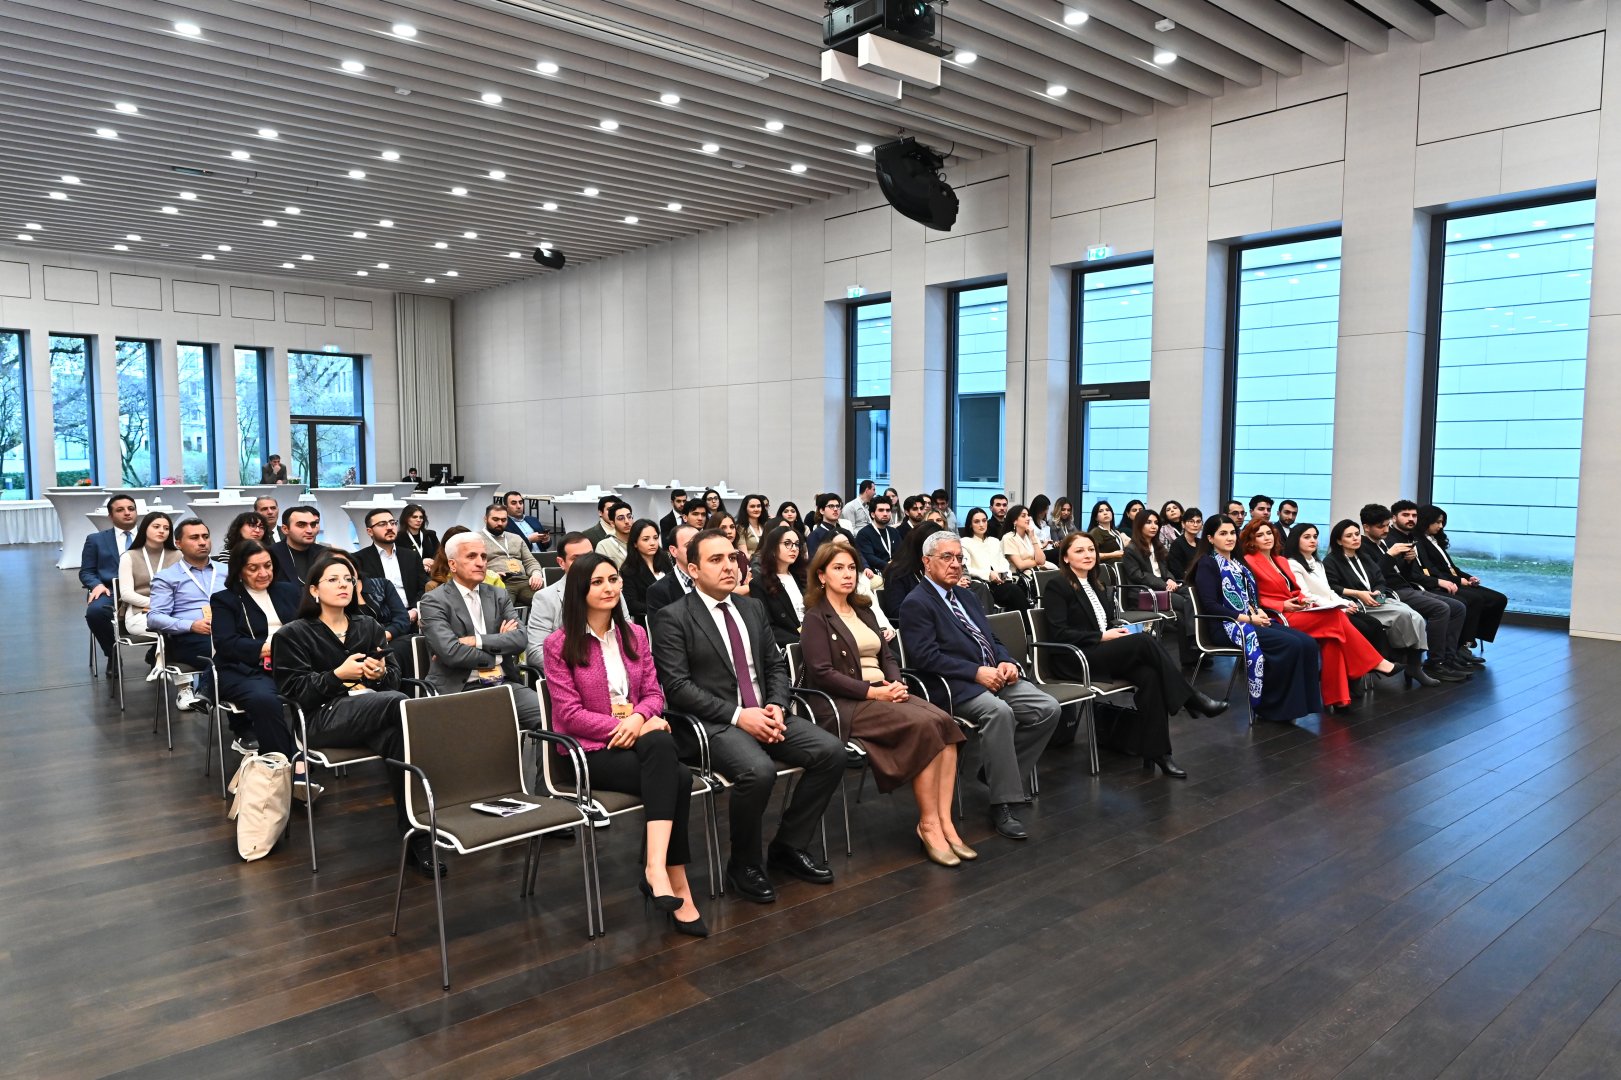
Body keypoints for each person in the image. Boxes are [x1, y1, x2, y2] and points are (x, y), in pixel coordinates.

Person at [649, 529, 844, 903]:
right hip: (714, 723)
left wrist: (776, 704)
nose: (729, 566)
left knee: (831, 752)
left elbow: (775, 666)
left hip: (766, 711)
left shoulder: (751, 607)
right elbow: (678, 688)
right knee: (758, 772)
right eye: (716, 560)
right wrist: (741, 716)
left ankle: (788, 846)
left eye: (733, 558)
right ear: (692, 570)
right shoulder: (673, 617)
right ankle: (744, 864)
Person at [544, 553, 707, 936]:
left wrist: (636, 720)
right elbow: (568, 714)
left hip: (636, 741)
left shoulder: (635, 634)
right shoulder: (560, 644)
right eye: (597, 582)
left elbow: (654, 694)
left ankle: (657, 869)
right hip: (588, 753)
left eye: (613, 579)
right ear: (580, 590)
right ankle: (673, 879)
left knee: (665, 755)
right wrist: (633, 728)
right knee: (678, 776)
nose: (609, 588)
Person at [799, 540, 971, 866]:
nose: (847, 575)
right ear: (821, 575)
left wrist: (894, 682)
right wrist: (872, 691)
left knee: (945, 725)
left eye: (851, 567)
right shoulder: (815, 617)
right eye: (838, 568)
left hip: (883, 691)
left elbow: (886, 654)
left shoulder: (863, 608)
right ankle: (929, 825)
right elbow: (822, 674)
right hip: (843, 702)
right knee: (924, 726)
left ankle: (945, 822)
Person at [272, 553, 443, 877]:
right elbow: (294, 694)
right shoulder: (292, 634)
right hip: (321, 719)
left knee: (399, 738)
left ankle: (417, 835)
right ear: (313, 590)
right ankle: (449, 773)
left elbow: (393, 678)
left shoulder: (368, 625)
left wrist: (378, 675)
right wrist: (337, 675)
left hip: (374, 711)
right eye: (333, 579)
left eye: (348, 579)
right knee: (400, 705)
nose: (343, 585)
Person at [899, 530, 1060, 841]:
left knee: (1047, 708)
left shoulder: (967, 596)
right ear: (926, 562)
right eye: (947, 557)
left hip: (992, 675)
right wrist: (976, 672)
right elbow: (924, 657)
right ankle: (1003, 803)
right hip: (953, 685)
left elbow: (993, 640)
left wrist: (1005, 662)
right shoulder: (916, 602)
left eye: (960, 558)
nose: (956, 564)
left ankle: (997, 773)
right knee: (999, 713)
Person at [1042, 533, 1227, 776]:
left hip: (1102, 652)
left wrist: (1113, 630)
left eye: (1091, 550)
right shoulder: (1057, 585)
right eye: (1079, 551)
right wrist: (1102, 636)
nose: (1088, 555)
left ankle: (1159, 753)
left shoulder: (1098, 583)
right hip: (1077, 658)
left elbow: (1105, 621)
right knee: (1143, 641)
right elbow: (1058, 633)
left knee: (1150, 676)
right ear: (1065, 557)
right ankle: (1191, 698)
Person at [1241, 520, 1394, 709]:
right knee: (1336, 616)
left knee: (1333, 638)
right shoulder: (1249, 561)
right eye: (1260, 535)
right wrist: (1282, 604)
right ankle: (1375, 662)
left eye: (1269, 533)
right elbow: (1252, 597)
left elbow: (1296, 590)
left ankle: (1338, 698)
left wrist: (1304, 600)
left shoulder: (1280, 560)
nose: (1267, 538)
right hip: (1277, 615)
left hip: (1298, 608)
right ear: (1251, 540)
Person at [1187, 517, 1322, 723]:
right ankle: (1272, 707)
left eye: (1232, 533)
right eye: (1223, 534)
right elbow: (1211, 605)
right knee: (1290, 644)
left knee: (1307, 642)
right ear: (1210, 538)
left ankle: (1298, 705)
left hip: (1248, 620)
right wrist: (1249, 618)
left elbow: (1250, 598)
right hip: (1226, 626)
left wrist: (1257, 612)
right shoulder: (1208, 563)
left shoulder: (1238, 563)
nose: (1230, 538)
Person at [418, 532, 542, 729]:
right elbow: (451, 653)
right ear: (452, 564)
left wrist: (477, 641)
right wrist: (499, 652)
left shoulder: (498, 595)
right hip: (460, 688)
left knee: (551, 718)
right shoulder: (434, 601)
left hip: (503, 683)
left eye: (483, 557)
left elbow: (520, 639)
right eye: (471, 556)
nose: (480, 563)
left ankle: (540, 761)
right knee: (488, 730)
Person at [210, 540, 308, 782]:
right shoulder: (225, 600)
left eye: (267, 566)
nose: (263, 573)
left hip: (288, 664)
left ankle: (304, 757)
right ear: (239, 570)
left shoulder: (288, 591)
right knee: (265, 699)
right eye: (253, 568)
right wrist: (268, 649)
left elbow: (307, 627)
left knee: (320, 687)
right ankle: (288, 768)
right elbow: (226, 644)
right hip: (241, 669)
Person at [1323, 519, 1442, 686]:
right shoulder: (1331, 561)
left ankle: (1414, 666)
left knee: (1417, 617)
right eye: (1349, 536)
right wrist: (1360, 594)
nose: (1356, 538)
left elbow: (1380, 579)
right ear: (1338, 540)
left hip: (1377, 599)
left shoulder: (1363, 557)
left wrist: (1378, 590)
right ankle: (1402, 660)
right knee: (1405, 614)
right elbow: (1332, 587)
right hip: (1355, 603)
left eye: (1357, 534)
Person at [1362, 503, 1474, 678]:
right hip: (1392, 592)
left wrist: (1407, 561)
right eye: (1380, 526)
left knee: (1458, 606)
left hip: (1406, 587)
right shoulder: (1366, 547)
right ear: (1366, 528)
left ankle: (1448, 657)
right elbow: (1374, 577)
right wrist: (1391, 556)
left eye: (1386, 525)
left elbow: (1403, 574)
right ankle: (1435, 662)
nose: (1385, 530)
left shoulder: (1383, 543)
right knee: (1441, 608)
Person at [1282, 520, 1388, 661]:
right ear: (1296, 540)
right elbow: (1307, 596)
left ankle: (1380, 663)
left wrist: (1345, 603)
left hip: (1333, 606)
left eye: (1315, 536)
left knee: (1374, 623)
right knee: (1363, 627)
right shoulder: (1292, 564)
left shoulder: (1317, 562)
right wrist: (1342, 608)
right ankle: (1368, 665)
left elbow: (1329, 591)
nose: (1313, 540)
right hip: (1318, 610)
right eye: (1307, 537)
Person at [147, 518, 219, 713]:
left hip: (227, 631)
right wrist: (190, 625)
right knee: (232, 652)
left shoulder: (226, 571)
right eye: (194, 538)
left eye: (205, 537)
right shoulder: (167, 577)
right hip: (191, 638)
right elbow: (154, 617)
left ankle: (206, 691)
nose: (202, 542)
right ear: (178, 543)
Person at [1414, 504, 1507, 649]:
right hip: (1441, 582)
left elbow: (1451, 567)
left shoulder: (1435, 539)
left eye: (1442, 522)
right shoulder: (1419, 541)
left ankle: (1474, 634)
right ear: (1426, 521)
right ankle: (1465, 641)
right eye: (1437, 522)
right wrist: (1458, 580)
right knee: (1474, 599)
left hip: (1453, 579)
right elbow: (1432, 570)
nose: (1441, 526)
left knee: (1499, 599)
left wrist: (1468, 577)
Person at [1121, 509, 1194, 663]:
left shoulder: (1157, 546)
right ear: (1139, 525)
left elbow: (1165, 570)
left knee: (1192, 594)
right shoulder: (1130, 550)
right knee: (1184, 603)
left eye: (1156, 523)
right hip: (1144, 595)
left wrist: (1170, 579)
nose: (1154, 526)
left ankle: (1190, 653)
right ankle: (1194, 639)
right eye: (1148, 522)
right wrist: (1163, 584)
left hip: (1161, 589)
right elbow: (1137, 575)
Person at [82, 492, 140, 674]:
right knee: (95, 612)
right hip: (111, 591)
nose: (127, 513)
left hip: (145, 590)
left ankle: (158, 653)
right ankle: (112, 653)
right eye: (120, 510)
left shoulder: (149, 537)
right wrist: (96, 584)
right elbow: (86, 571)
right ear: (110, 516)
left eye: (131, 509)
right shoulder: (96, 540)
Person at [526, 532, 597, 667]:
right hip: (572, 672)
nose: (586, 563)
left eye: (589, 556)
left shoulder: (611, 591)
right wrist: (586, 667)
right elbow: (536, 653)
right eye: (576, 558)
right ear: (561, 562)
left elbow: (628, 637)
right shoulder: (545, 598)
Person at [117, 511, 180, 639]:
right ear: (145, 529)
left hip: (175, 611)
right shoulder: (129, 557)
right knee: (170, 628)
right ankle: (161, 657)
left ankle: (158, 657)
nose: (162, 531)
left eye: (166, 528)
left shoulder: (178, 555)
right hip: (140, 613)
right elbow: (126, 594)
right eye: (156, 527)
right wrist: (159, 604)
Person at [352, 507, 427, 615]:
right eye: (382, 524)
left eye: (392, 523)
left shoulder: (411, 556)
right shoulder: (359, 559)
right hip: (380, 618)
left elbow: (423, 587)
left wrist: (415, 610)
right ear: (370, 531)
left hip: (412, 613)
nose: (390, 527)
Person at [960, 507, 1028, 612]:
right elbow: (967, 568)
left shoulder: (994, 541)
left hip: (1002, 581)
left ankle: (1024, 623)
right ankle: (1029, 623)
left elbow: (1004, 562)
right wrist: (989, 574)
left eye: (984, 520)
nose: (981, 524)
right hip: (984, 584)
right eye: (977, 522)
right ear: (970, 524)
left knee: (1018, 590)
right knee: (1014, 591)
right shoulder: (965, 542)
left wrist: (1004, 574)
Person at [750, 525, 806, 646]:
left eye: (797, 544)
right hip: (789, 646)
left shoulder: (803, 578)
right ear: (773, 548)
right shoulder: (759, 584)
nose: (794, 548)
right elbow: (767, 627)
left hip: (814, 637)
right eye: (787, 543)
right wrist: (802, 641)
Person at [877, 520, 942, 624]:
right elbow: (897, 612)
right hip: (918, 626)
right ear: (922, 547)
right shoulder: (897, 572)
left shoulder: (939, 569)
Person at [480, 503, 545, 605]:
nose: (500, 523)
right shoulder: (476, 539)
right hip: (499, 582)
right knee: (503, 610)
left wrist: (536, 574)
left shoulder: (516, 538)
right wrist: (491, 575)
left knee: (550, 601)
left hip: (524, 581)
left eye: (503, 520)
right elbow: (473, 565)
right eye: (495, 519)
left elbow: (530, 561)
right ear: (485, 519)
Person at [619, 519, 673, 620]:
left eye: (655, 538)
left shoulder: (665, 558)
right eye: (646, 539)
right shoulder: (628, 569)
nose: (652, 543)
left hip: (675, 614)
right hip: (650, 620)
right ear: (635, 543)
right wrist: (661, 608)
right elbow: (631, 604)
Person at [644, 524, 699, 619]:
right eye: (689, 545)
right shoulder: (658, 591)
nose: (697, 550)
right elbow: (663, 630)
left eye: (700, 544)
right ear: (673, 551)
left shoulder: (715, 578)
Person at [269, 505, 328, 586]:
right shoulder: (271, 554)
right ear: (285, 529)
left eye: (313, 524)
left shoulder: (324, 554)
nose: (310, 530)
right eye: (301, 525)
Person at [1000, 503, 1047, 602]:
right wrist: (1036, 561)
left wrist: (1033, 538)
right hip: (1018, 577)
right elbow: (1020, 565)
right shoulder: (1008, 538)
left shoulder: (1031, 535)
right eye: (1023, 516)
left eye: (1028, 515)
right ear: (1015, 521)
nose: (1028, 518)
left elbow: (1042, 560)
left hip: (1034, 572)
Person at [854, 496, 901, 576]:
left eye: (888, 510)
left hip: (896, 571)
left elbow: (902, 552)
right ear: (872, 514)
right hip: (876, 573)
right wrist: (889, 566)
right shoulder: (864, 533)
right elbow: (869, 557)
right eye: (881, 510)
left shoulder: (894, 532)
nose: (885, 514)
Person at [806, 493, 854, 560]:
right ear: (822, 511)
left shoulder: (846, 532)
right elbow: (814, 561)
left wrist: (866, 567)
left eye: (838, 506)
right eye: (831, 506)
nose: (835, 509)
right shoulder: (814, 535)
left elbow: (857, 553)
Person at [1164, 506, 1204, 583]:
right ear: (1183, 524)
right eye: (1191, 521)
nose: (1195, 525)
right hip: (1186, 583)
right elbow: (1177, 572)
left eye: (1198, 521)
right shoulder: (1177, 544)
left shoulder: (1201, 543)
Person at [594, 500, 636, 567]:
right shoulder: (604, 546)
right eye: (620, 518)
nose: (627, 521)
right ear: (612, 523)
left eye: (629, 516)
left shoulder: (640, 541)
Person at [399, 503, 439, 572]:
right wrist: (421, 563)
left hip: (432, 574)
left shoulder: (430, 534)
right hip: (412, 576)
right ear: (406, 519)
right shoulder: (399, 538)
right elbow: (401, 560)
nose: (418, 520)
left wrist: (432, 564)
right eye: (414, 517)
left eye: (421, 517)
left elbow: (439, 554)